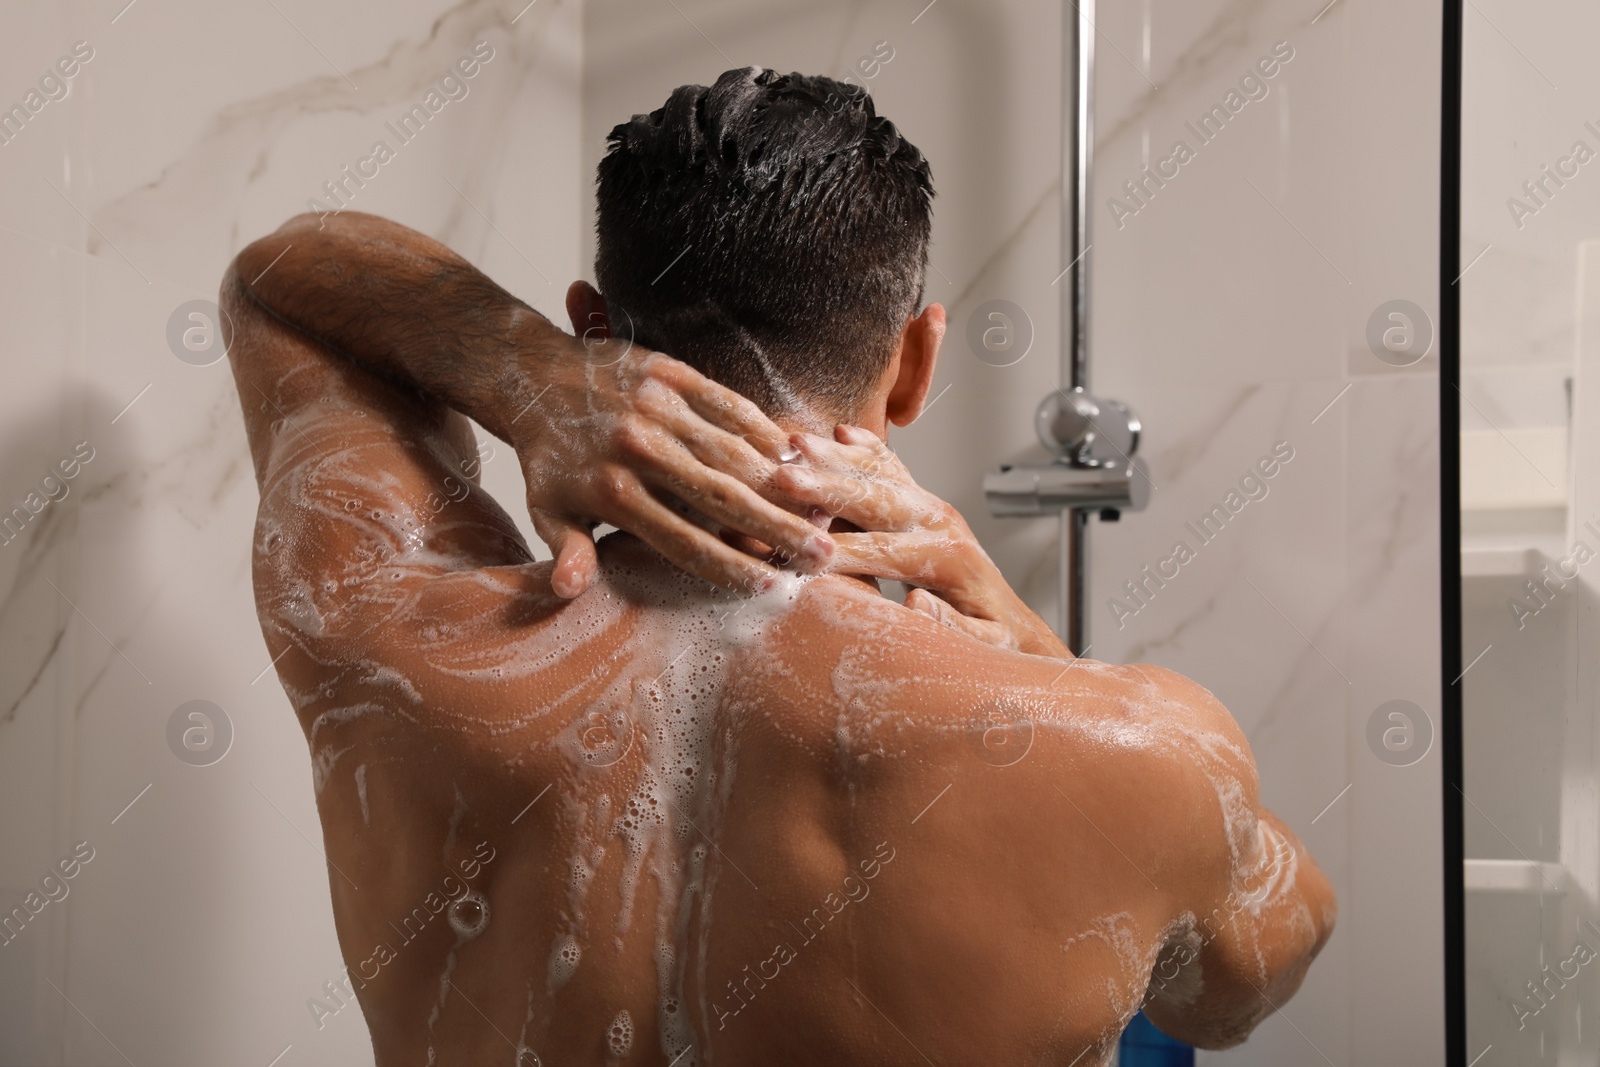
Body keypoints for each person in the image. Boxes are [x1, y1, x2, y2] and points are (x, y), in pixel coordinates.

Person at [223, 67, 1333, 1067]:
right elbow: (1245, 979)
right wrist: (1037, 648)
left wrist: (529, 377)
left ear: (591, 326)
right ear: (914, 361)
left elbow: (281, 283)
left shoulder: (386, 638)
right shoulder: (1140, 754)